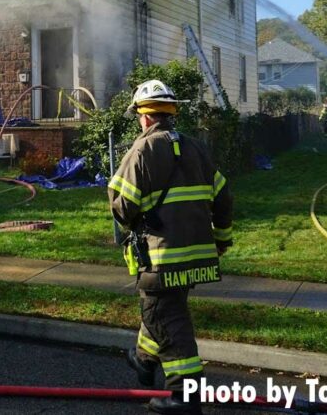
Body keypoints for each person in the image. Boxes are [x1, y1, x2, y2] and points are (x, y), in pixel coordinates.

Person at [109, 80, 232, 415]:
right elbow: (223, 198)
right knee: (163, 310)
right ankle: (144, 360)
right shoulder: (197, 148)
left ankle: (186, 395)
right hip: (198, 257)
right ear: (170, 112)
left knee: (166, 317)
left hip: (162, 257)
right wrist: (221, 240)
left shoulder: (141, 151)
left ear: (145, 118)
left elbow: (121, 207)